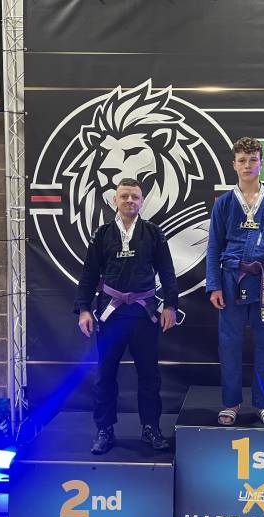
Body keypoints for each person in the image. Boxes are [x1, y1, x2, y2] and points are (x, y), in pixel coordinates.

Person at [74, 178, 178, 454]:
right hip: (111, 313)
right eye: (124, 196)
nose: (130, 200)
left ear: (142, 201)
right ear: (114, 200)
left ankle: (151, 428)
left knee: (149, 375)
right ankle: (104, 429)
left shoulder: (153, 233)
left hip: (144, 313)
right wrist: (84, 309)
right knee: (105, 375)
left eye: (135, 196)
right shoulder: (102, 234)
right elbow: (89, 274)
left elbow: (167, 271)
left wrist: (170, 305)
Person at [206, 137, 264, 427]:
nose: (247, 165)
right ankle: (231, 402)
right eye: (242, 160)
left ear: (261, 163)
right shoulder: (224, 203)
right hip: (231, 279)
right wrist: (214, 285)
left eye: (252, 159)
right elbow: (214, 247)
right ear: (233, 164)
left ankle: (263, 403)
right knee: (229, 344)